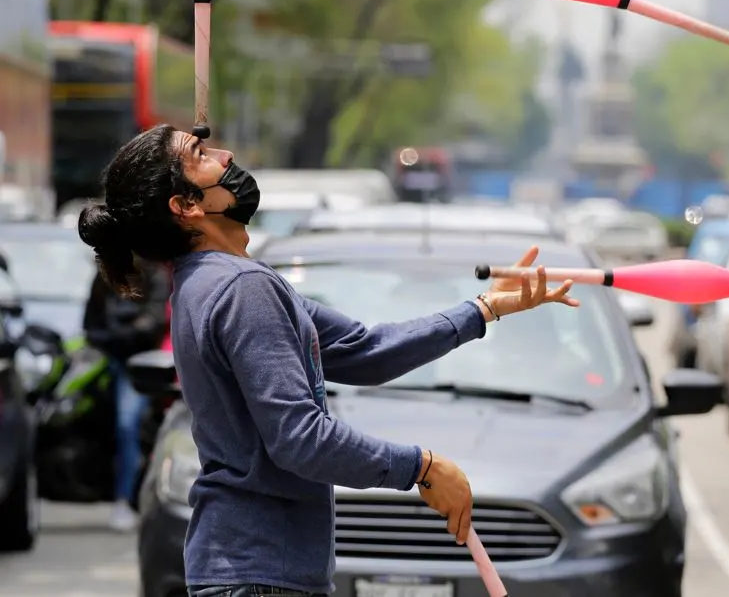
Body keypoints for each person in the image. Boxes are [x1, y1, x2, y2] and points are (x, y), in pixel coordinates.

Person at [76, 124, 579, 597]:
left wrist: (484, 309)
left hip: (254, 570)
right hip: (259, 573)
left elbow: (365, 351)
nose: (225, 156)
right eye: (201, 155)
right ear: (186, 206)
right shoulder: (239, 288)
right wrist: (420, 467)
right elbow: (300, 438)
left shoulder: (218, 282)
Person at [83, 258, 171, 531]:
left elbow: (155, 320)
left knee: (127, 424)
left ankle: (126, 498)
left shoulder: (155, 275)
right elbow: (90, 323)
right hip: (107, 359)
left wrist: (129, 332)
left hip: (140, 363)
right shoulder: (104, 275)